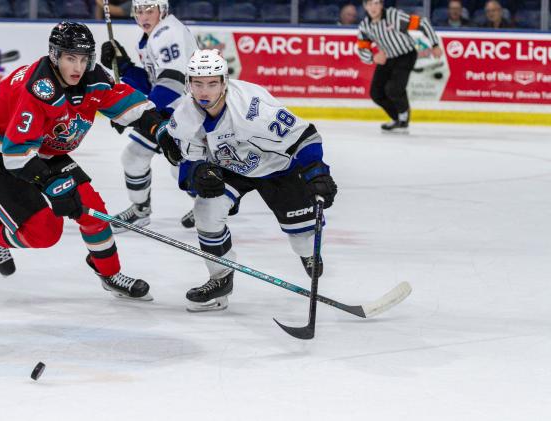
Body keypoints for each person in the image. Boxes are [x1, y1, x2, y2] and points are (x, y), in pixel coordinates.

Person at [0, 21, 167, 301]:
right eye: (70, 58)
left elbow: (125, 102)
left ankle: (110, 274)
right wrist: (52, 183)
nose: (77, 67)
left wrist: (160, 130)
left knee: (93, 211)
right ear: (55, 56)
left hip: (40, 146)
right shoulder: (39, 89)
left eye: (83, 59)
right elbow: (16, 152)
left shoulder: (92, 77)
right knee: (44, 233)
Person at [155, 49, 338, 312]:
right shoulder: (185, 114)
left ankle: (308, 251)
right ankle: (220, 281)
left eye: (212, 84)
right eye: (198, 84)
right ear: (188, 84)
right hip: (232, 169)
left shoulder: (253, 110)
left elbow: (304, 136)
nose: (204, 92)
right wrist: (197, 173)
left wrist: (316, 171)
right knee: (206, 212)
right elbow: (188, 156)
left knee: (302, 239)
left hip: (279, 169)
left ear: (224, 82)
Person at [99, 0, 199, 232]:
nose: (143, 16)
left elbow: (172, 83)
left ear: (162, 10)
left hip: (184, 112)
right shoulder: (152, 36)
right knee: (134, 157)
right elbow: (154, 81)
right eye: (139, 11)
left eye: (150, 10)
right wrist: (125, 67)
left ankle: (208, 206)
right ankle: (140, 211)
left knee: (181, 167)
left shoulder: (167, 33)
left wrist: (140, 111)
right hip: (168, 110)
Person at [356, 0, 442, 133]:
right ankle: (397, 118)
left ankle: (403, 118)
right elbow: (362, 49)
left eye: (376, 3)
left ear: (381, 5)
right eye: (370, 4)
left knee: (393, 89)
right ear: (365, 6)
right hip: (387, 58)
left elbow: (423, 23)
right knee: (376, 93)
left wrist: (435, 44)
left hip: (406, 55)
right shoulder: (365, 26)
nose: (373, 7)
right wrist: (373, 57)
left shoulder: (394, 16)